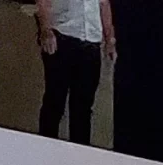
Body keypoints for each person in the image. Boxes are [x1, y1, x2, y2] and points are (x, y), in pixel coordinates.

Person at [36, 0, 113, 146]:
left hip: (91, 43)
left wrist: (109, 38)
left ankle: (80, 157)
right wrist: (45, 29)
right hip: (62, 37)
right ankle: (45, 151)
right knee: (54, 102)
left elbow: (104, 4)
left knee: (83, 109)